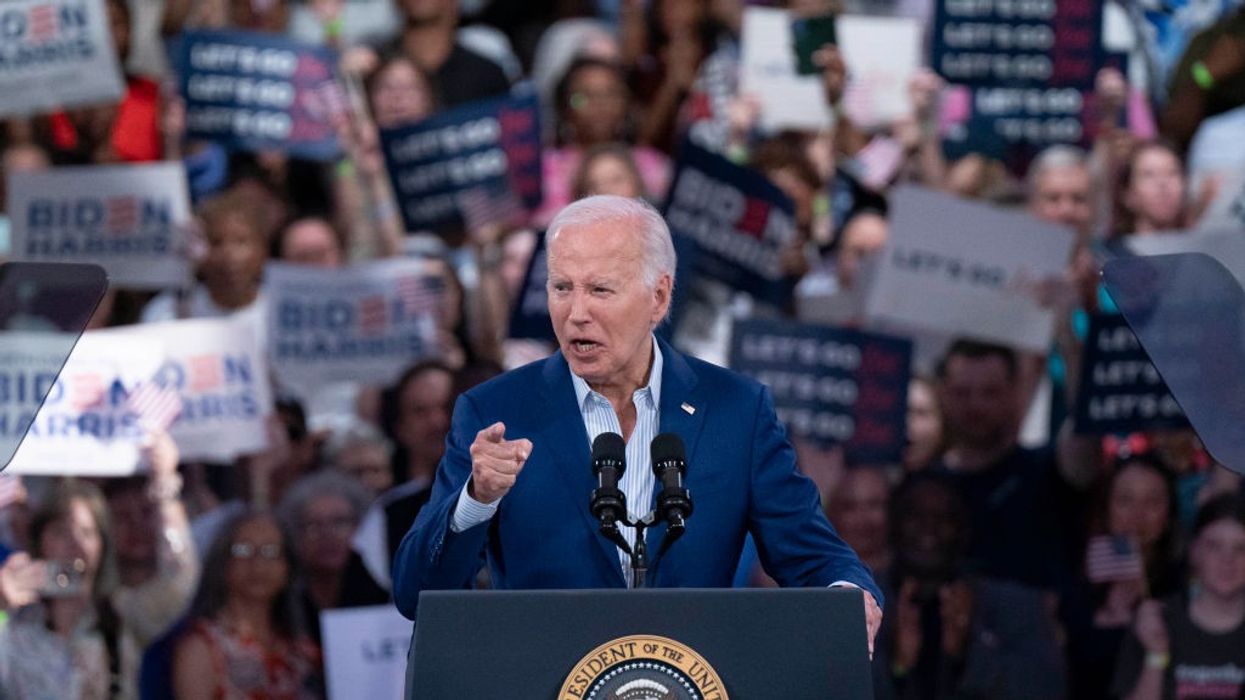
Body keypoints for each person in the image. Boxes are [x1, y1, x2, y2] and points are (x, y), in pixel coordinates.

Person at [391, 195, 883, 650]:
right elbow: (417, 594)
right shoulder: (495, 412)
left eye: (601, 290)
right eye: (562, 287)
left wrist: (849, 595)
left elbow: (811, 553)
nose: (576, 313)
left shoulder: (736, 410)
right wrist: (475, 501)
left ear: (659, 297)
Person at [171, 510, 321, 700]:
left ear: (288, 566)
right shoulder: (201, 649)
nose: (258, 565)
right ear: (223, 562)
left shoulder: (302, 647)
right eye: (243, 550)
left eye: (271, 552)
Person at [1112, 493, 1245, 700]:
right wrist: (1156, 654)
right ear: (1194, 552)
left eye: (1241, 548)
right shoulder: (1156, 619)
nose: (1227, 560)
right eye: (1214, 546)